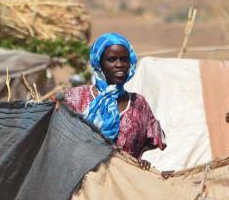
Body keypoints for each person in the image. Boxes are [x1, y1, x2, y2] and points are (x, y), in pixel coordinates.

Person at [63, 33, 166, 168]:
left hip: (124, 178)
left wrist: (137, 161)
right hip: (83, 177)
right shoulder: (76, 98)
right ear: (99, 63)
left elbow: (153, 138)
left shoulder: (139, 103)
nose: (119, 65)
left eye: (124, 59)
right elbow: (59, 139)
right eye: (111, 59)